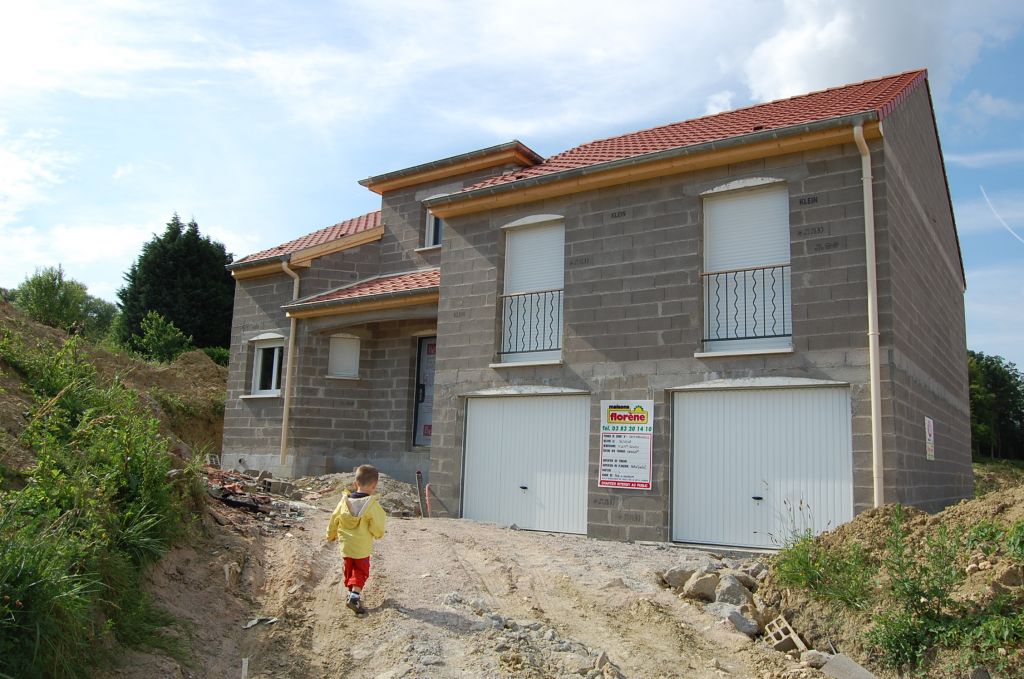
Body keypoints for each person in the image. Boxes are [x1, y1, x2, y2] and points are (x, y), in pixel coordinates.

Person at [326, 464, 387, 615]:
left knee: (349, 569)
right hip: (362, 547)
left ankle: (350, 592)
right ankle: (354, 597)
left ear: (355, 483)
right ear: (374, 486)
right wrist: (378, 534)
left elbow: (334, 519)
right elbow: (378, 525)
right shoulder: (372, 505)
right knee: (361, 571)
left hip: (346, 546)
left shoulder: (344, 502)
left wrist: (330, 534)